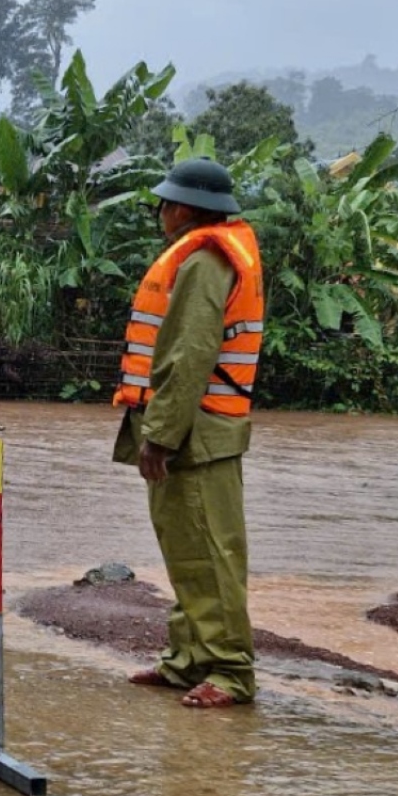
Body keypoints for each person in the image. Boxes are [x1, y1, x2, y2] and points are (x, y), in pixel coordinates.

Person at [112, 158, 264, 709]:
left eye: (165, 201)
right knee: (185, 550)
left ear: (186, 208)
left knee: (210, 553)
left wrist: (161, 436)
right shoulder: (204, 255)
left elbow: (189, 354)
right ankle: (187, 661)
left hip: (198, 434)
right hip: (193, 431)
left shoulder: (205, 262)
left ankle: (229, 672)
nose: (160, 211)